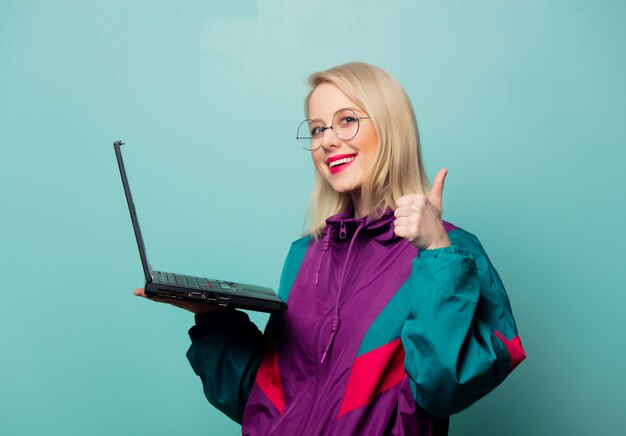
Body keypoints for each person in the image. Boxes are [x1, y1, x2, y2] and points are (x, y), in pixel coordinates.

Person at [134, 62, 526, 435]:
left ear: (390, 128)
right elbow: (268, 402)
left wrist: (436, 253)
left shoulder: (452, 251)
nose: (328, 141)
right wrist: (213, 317)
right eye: (318, 129)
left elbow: (443, 387)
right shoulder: (305, 254)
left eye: (347, 120)